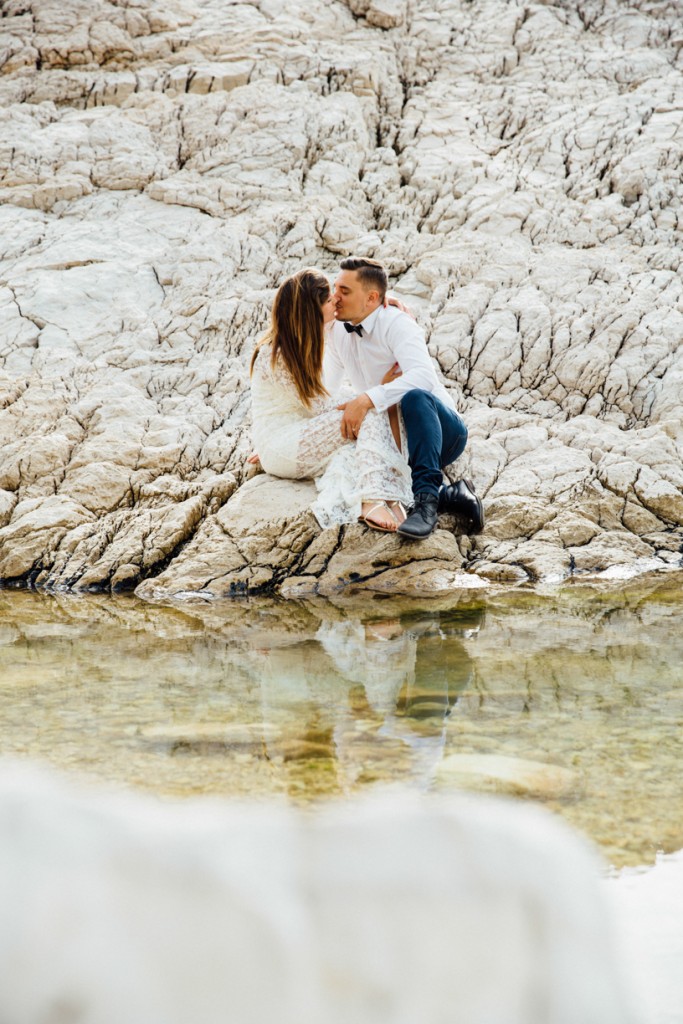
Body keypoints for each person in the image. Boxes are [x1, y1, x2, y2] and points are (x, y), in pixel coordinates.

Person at [325, 256, 484, 540]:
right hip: (390, 434)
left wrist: (367, 399)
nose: (335, 298)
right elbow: (327, 387)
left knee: (415, 397)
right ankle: (451, 494)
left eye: (344, 291)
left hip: (438, 430)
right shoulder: (339, 330)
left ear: (372, 298)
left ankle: (426, 505)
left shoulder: (397, 323)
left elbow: (423, 375)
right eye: (335, 288)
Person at [249, 268, 413, 532]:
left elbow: (356, 306)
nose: (336, 300)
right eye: (328, 300)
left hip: (296, 432)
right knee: (369, 409)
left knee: (358, 437)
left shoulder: (311, 333)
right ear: (310, 311)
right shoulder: (275, 356)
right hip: (283, 443)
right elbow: (320, 406)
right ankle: (372, 499)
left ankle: (390, 496)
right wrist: (373, 393)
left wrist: (384, 299)